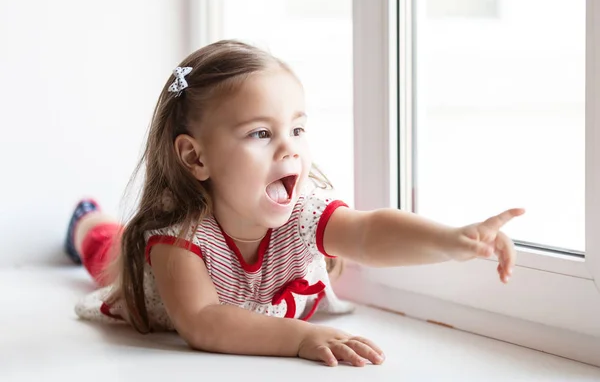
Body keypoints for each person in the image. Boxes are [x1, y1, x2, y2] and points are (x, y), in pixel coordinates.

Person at [65, 40, 524, 367]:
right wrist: (302, 337)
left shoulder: (300, 210)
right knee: (109, 245)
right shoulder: (177, 233)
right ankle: (85, 219)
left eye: (298, 130)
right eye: (261, 134)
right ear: (195, 156)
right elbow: (203, 322)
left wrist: (452, 240)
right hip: (146, 278)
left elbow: (367, 233)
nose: (290, 149)